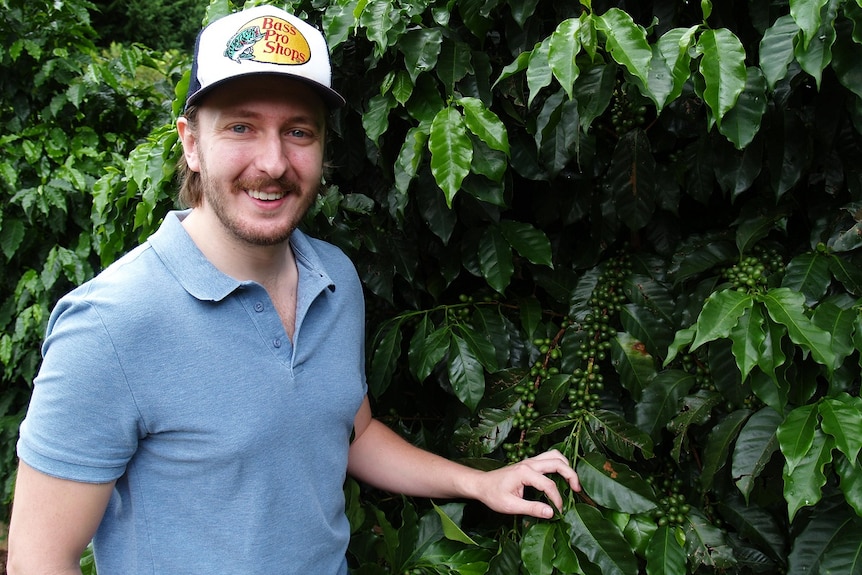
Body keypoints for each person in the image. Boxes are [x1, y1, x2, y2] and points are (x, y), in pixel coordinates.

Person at [6, 6, 580, 574]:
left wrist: (478, 481)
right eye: (240, 126)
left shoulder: (335, 279)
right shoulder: (109, 325)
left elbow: (352, 434)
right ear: (191, 143)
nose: (274, 162)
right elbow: (38, 560)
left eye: (298, 131)